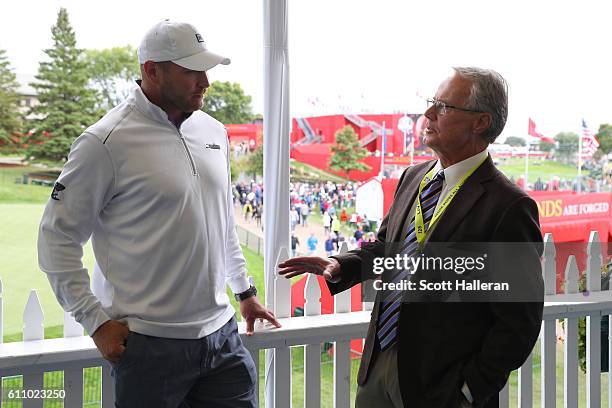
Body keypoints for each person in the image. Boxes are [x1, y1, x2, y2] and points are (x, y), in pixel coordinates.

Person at [37, 20, 280, 407]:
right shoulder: (104, 142)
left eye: (206, 69)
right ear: (152, 70)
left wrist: (244, 291)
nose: (205, 81)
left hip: (222, 337)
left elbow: (219, 223)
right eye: (190, 71)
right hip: (151, 347)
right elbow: (56, 238)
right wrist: (96, 322)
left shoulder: (214, 131)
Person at [279, 67, 543, 408]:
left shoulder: (509, 206)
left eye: (443, 107)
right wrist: (340, 264)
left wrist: (470, 389)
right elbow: (387, 250)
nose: (428, 114)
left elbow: (519, 320)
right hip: (380, 366)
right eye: (431, 103)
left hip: (443, 384)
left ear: (480, 122)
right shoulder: (414, 176)